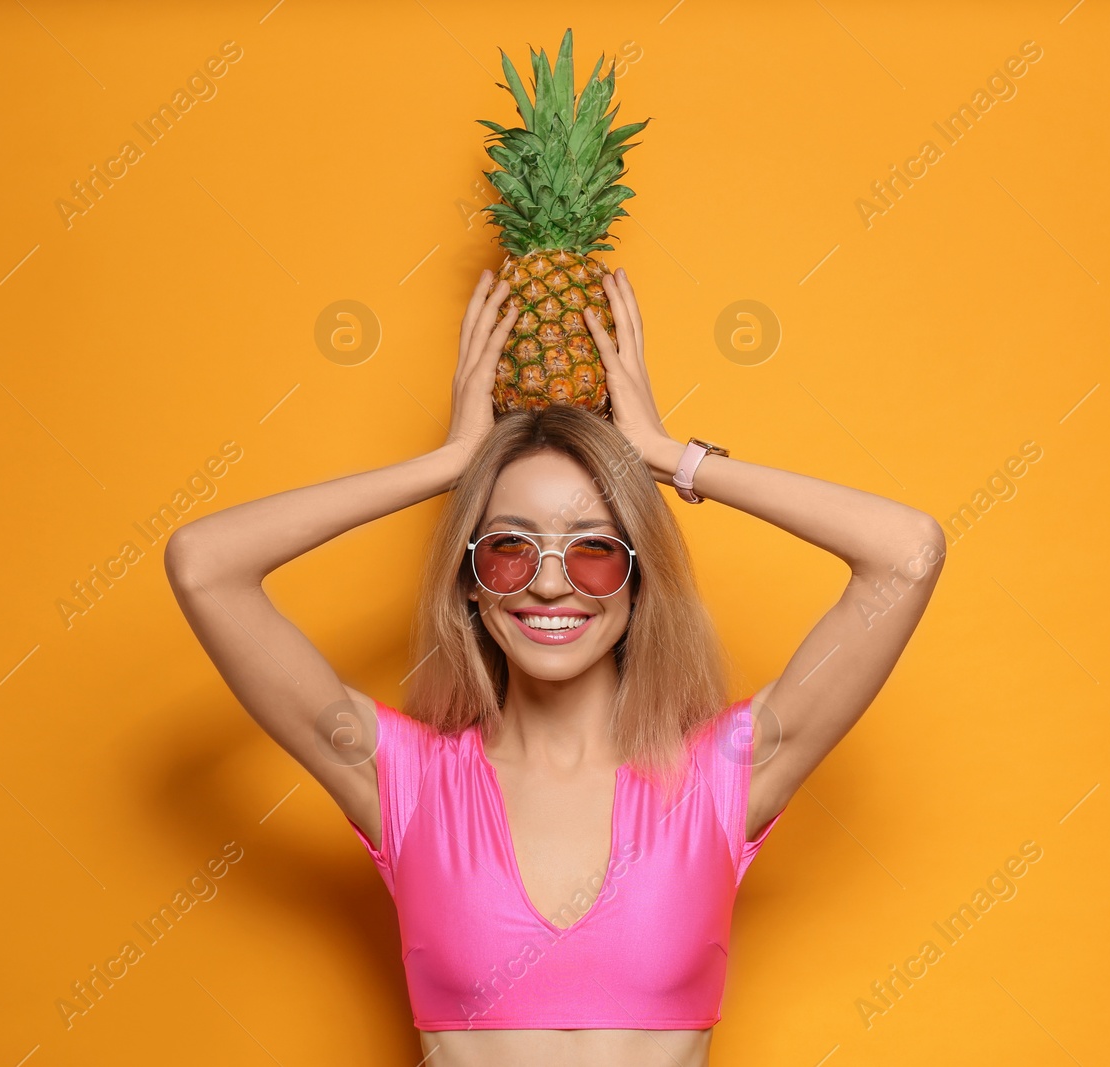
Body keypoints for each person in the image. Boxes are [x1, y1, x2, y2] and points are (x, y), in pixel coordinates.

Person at [164, 267, 946, 1066]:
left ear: (641, 579)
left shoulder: (722, 776)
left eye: (594, 551)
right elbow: (203, 566)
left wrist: (671, 457)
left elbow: (907, 555)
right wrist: (449, 465)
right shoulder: (403, 779)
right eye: (509, 546)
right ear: (469, 579)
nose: (548, 581)